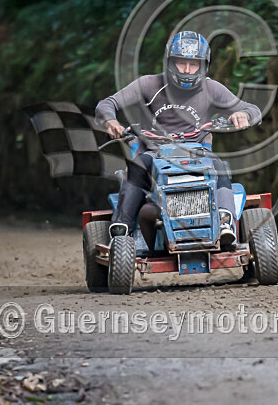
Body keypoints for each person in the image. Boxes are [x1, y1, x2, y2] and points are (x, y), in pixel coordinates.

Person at [96, 31, 261, 251]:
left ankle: (225, 221)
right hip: (153, 153)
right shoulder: (148, 84)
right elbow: (107, 104)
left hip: (198, 152)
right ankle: (122, 229)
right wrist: (111, 122)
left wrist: (244, 115)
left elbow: (253, 109)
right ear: (169, 63)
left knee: (219, 166)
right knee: (135, 167)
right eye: (181, 63)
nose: (186, 70)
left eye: (193, 65)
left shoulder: (211, 88)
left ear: (203, 66)